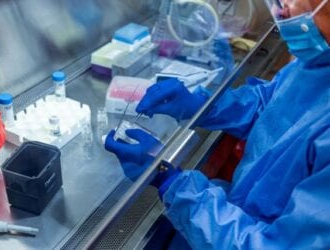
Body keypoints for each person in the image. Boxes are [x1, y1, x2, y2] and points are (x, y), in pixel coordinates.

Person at [105, 0, 330, 248]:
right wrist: (205, 105)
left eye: (302, 1)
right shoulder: (319, 62)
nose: (285, 8)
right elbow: (274, 106)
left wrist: (173, 183)